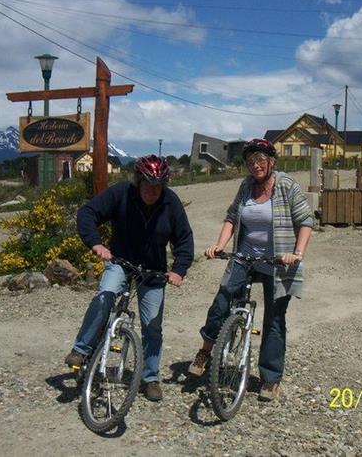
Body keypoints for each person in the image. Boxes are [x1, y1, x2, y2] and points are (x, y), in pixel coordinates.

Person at [187, 138, 313, 402]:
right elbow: (232, 217)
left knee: (275, 320)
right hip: (244, 256)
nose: (255, 165)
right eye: (250, 162)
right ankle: (205, 352)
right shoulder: (245, 187)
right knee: (222, 299)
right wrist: (219, 245)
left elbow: (305, 221)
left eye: (260, 160)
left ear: (271, 162)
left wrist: (297, 253)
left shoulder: (286, 185)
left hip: (278, 261)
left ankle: (270, 379)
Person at [64, 155, 194, 402]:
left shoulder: (171, 203)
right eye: (146, 185)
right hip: (121, 261)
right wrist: (96, 244)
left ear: (164, 186)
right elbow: (88, 213)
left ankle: (150, 378)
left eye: (157, 187)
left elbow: (184, 239)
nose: (151, 191)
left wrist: (179, 269)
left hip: (153, 270)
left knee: (152, 325)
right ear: (137, 181)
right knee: (105, 297)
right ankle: (80, 350)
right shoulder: (122, 193)